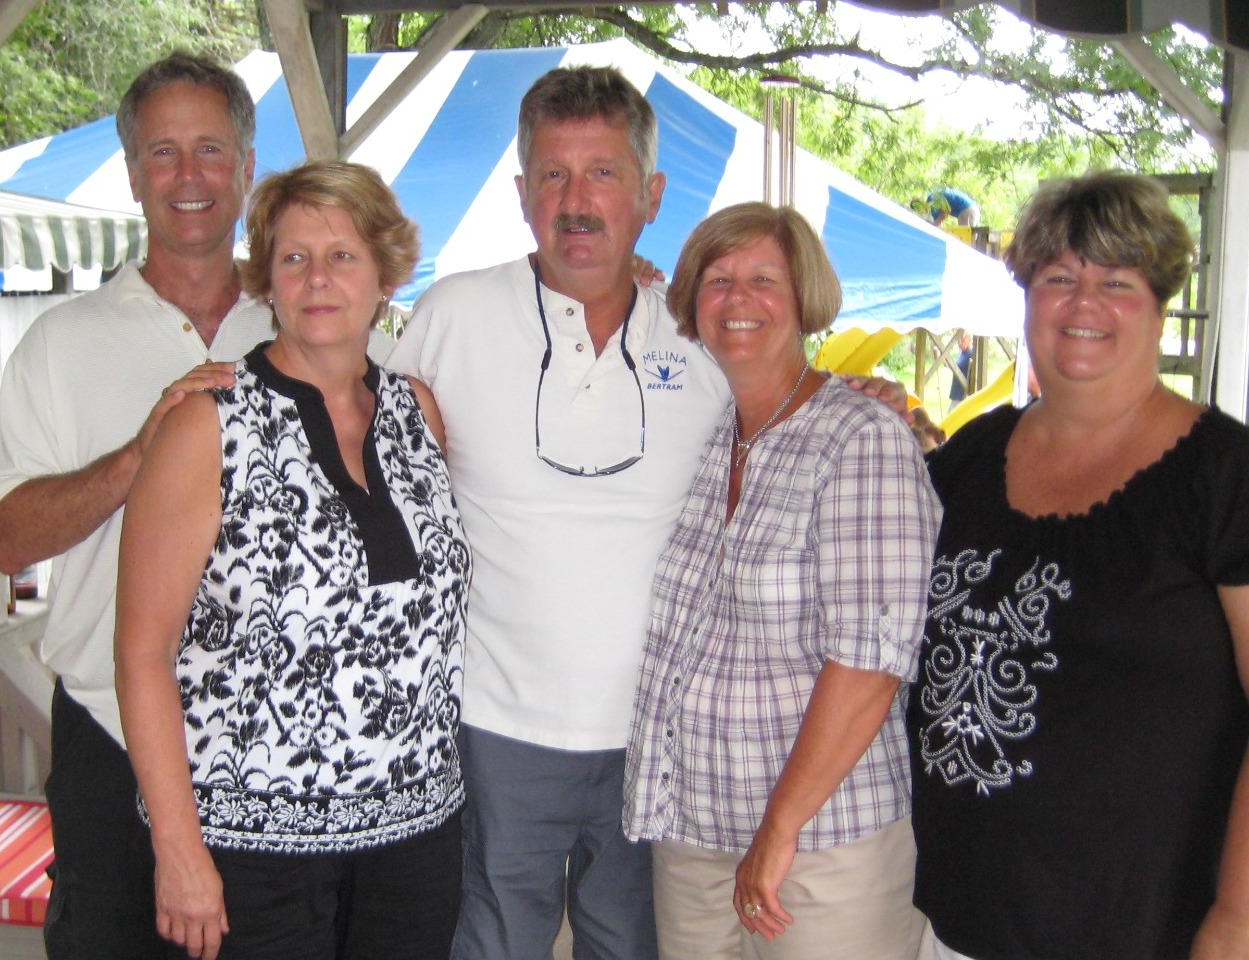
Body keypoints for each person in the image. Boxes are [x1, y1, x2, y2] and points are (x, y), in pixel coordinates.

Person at [0, 53, 402, 958]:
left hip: (282, 754)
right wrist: (142, 454)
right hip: (111, 732)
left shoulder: (311, 310)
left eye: (210, 149)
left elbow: (427, 414)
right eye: (162, 152)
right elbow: (5, 540)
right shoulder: (61, 342)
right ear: (131, 171)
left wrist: (622, 282)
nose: (189, 176)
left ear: (247, 166)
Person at [907, 171, 1249, 960]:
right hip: (958, 921)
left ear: (1160, 302)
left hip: (1145, 931)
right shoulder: (968, 459)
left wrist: (1243, 919)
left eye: (1116, 282)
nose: (1082, 306)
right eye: (1058, 279)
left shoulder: (1235, 485)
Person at [394, 65, 729, 959]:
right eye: (552, 174)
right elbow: (365, 456)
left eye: (604, 174)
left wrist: (869, 398)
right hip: (494, 729)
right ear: (520, 194)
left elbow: (787, 437)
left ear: (651, 195)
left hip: (657, 738)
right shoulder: (451, 316)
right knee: (491, 944)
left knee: (631, 946)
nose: (575, 202)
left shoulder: (702, 340)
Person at [115, 160, 468, 960]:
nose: (318, 279)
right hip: (249, 852)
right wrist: (178, 852)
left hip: (413, 842)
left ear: (384, 274)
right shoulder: (206, 424)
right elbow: (141, 652)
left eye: (342, 255)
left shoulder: (420, 414)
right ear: (266, 279)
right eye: (293, 257)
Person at [623, 202, 940, 959]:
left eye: (764, 279)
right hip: (694, 825)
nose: (737, 300)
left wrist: (779, 828)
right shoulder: (709, 434)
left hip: (821, 840)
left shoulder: (860, 438)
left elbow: (870, 659)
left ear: (804, 300)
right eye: (718, 280)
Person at [948, 331, 973, 407]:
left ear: (969, 339)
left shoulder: (972, 354)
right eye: (958, 340)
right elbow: (954, 367)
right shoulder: (962, 353)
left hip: (962, 396)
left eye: (962, 339)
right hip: (956, 394)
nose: (959, 342)